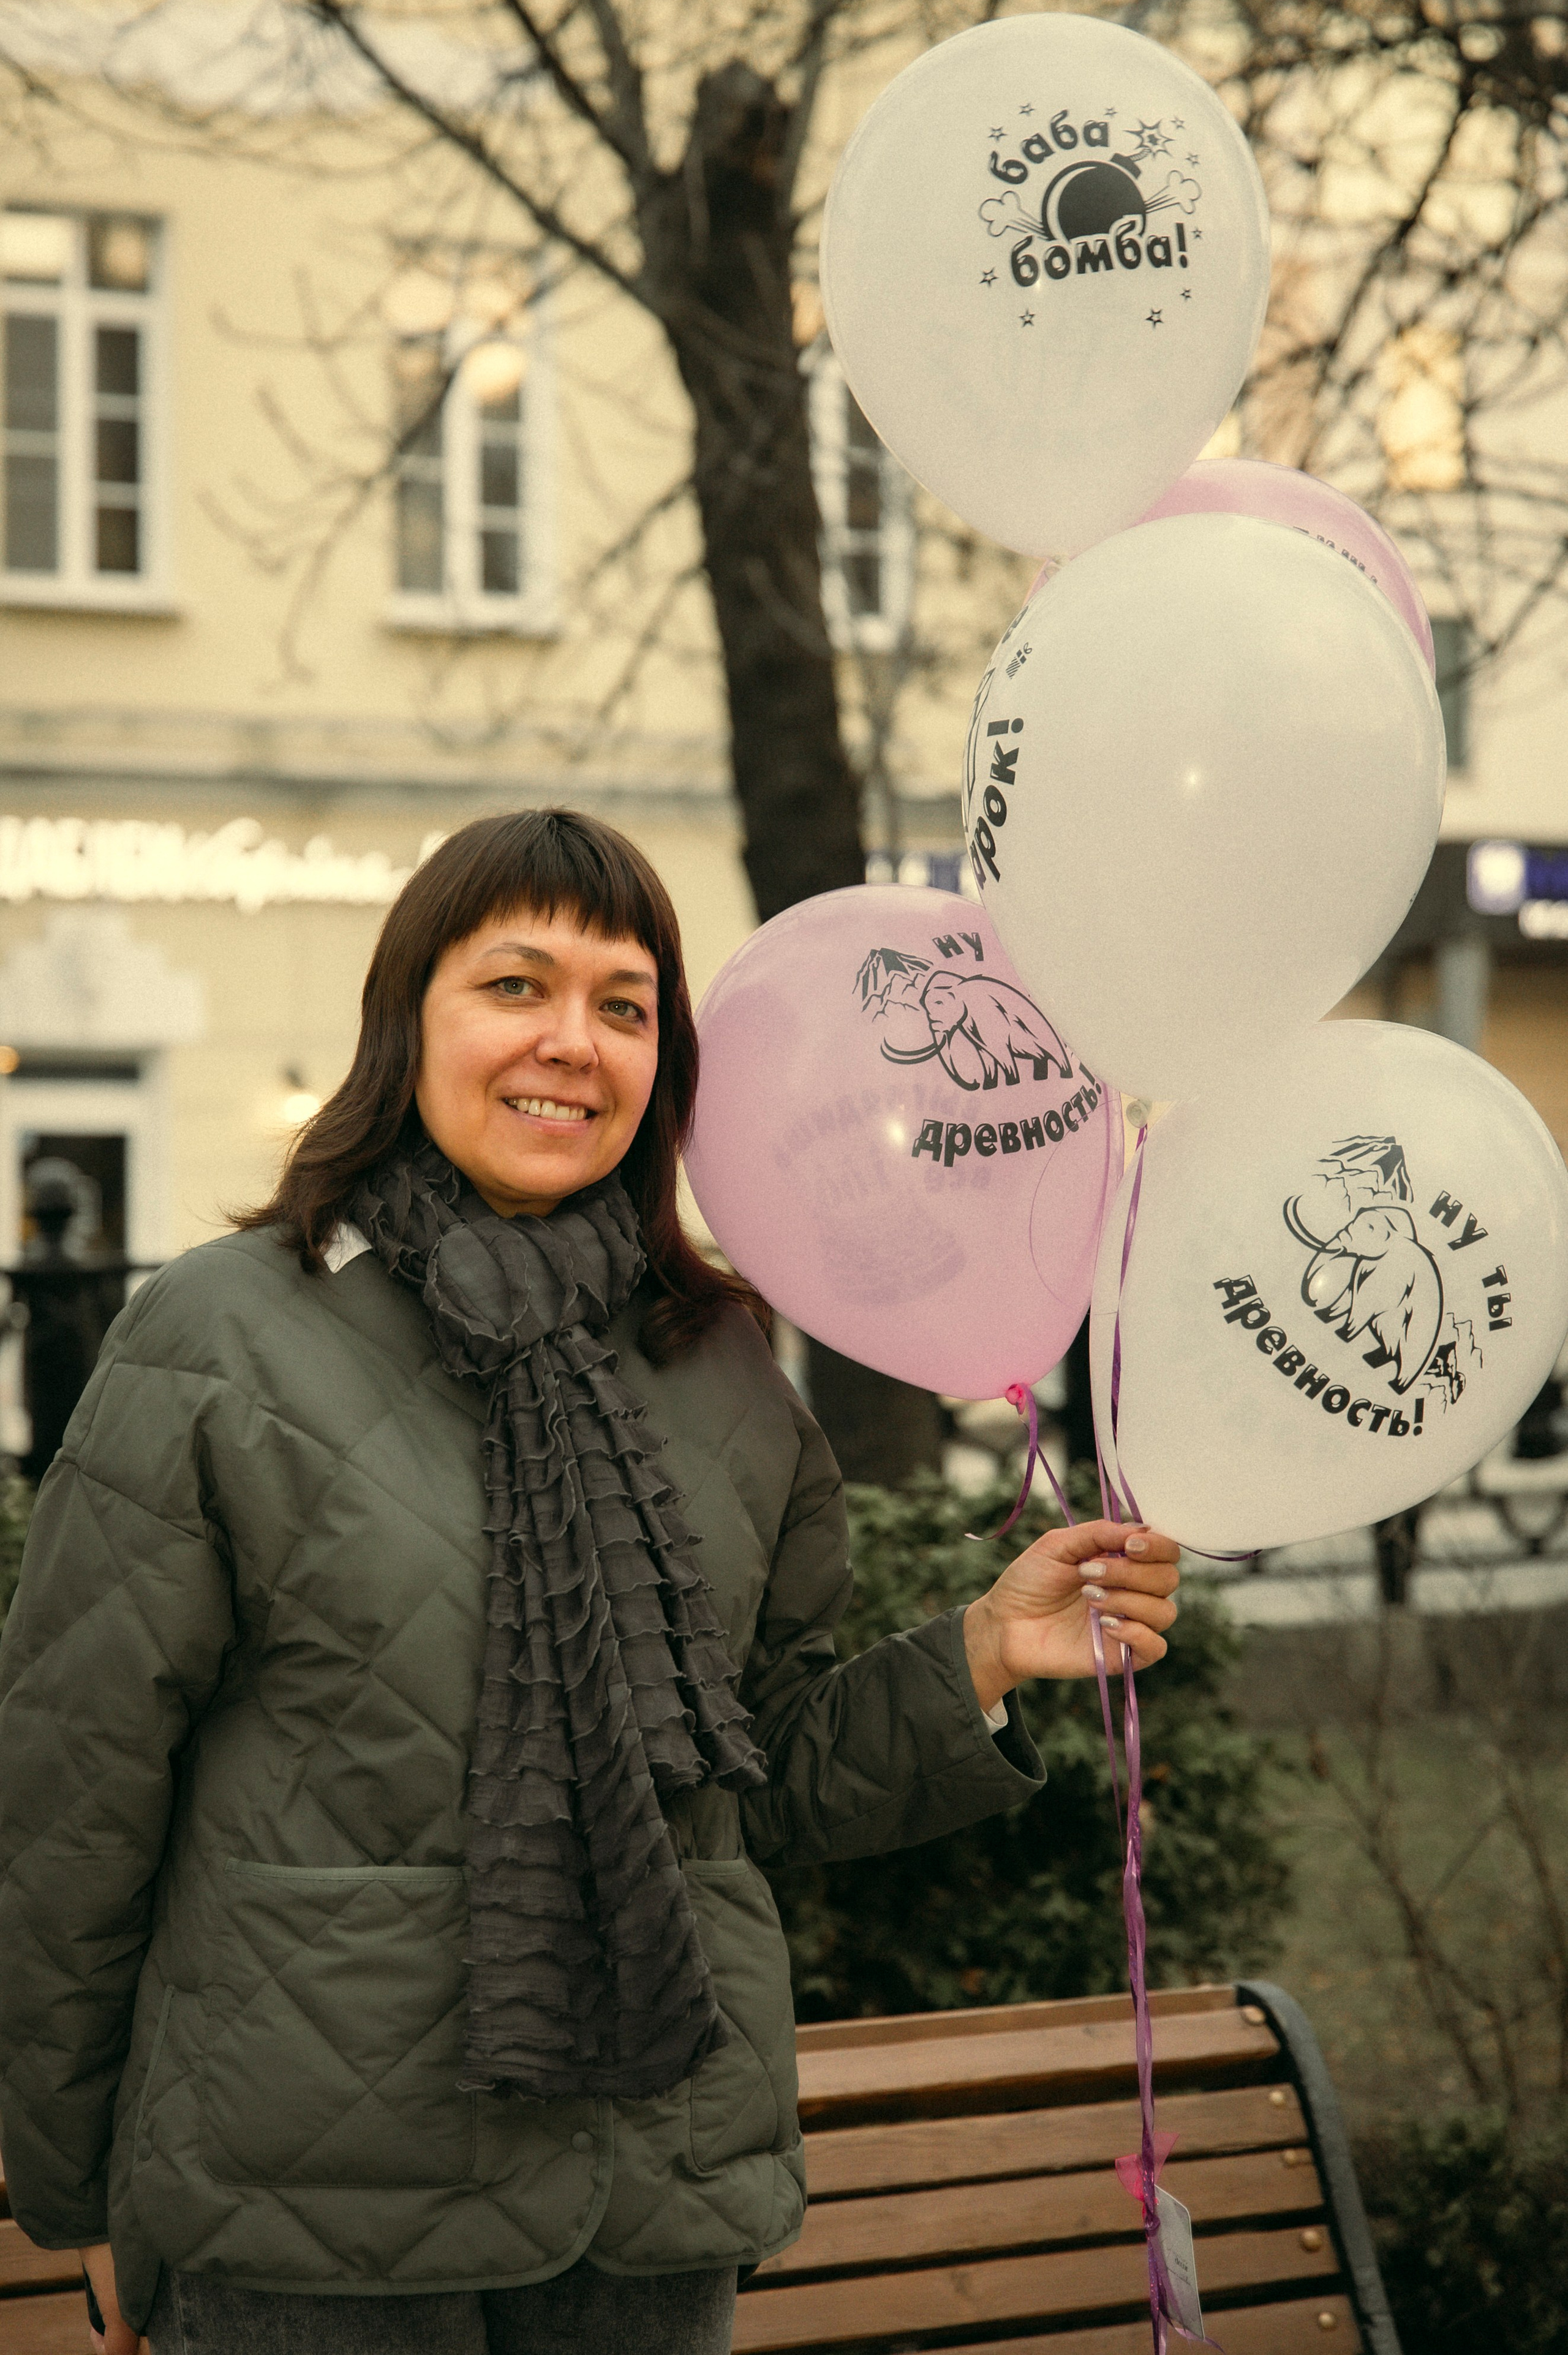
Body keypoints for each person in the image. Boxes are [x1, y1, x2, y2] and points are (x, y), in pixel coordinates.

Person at [0, 811, 1180, 2355]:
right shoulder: (220, 1339)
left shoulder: (717, 1367)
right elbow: (68, 1798)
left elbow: (744, 1780)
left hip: (646, 2206)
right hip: (309, 2223)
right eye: (515, 984)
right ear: (406, 1018)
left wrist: (977, 1653)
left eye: (623, 1005)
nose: (572, 1041)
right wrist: (82, 2192)